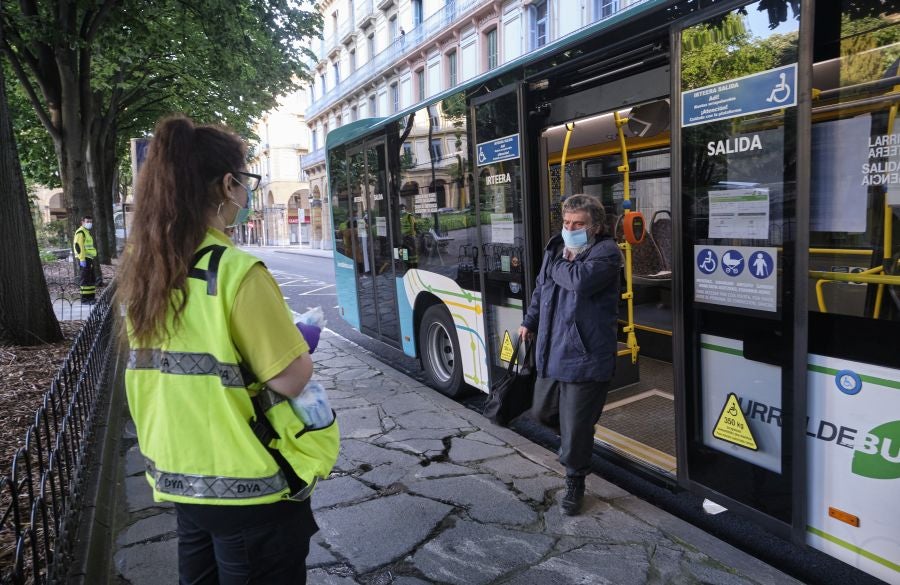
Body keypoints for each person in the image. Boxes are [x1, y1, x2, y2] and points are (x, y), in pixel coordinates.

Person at [117, 115, 339, 584]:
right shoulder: (236, 271)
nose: (246, 193)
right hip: (249, 487)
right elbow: (290, 377)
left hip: (181, 478)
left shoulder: (146, 270)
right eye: (245, 182)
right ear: (226, 185)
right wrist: (300, 342)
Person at [517, 194, 621, 516]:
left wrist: (556, 261)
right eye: (566, 223)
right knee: (541, 412)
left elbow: (578, 280)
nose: (570, 229)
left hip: (585, 356)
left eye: (578, 224)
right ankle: (579, 435)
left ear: (596, 227)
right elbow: (540, 290)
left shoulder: (607, 253)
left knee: (575, 429)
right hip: (552, 350)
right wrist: (529, 321)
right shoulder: (556, 249)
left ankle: (575, 478)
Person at [72, 215, 97, 303]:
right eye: (87, 221)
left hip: (89, 258)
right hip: (84, 258)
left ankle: (91, 298)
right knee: (85, 279)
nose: (89, 223)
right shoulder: (80, 232)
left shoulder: (86, 232)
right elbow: (79, 247)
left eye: (91, 221)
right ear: (82, 222)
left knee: (90, 278)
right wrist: (82, 259)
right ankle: (85, 299)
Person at [399, 203, 419, 268]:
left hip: (410, 237)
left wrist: (411, 235)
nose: (402, 210)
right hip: (404, 238)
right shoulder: (401, 217)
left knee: (413, 253)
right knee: (405, 253)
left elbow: (413, 226)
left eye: (403, 208)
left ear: (405, 209)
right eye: (401, 209)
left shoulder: (409, 216)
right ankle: (408, 267)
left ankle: (415, 266)